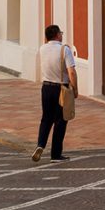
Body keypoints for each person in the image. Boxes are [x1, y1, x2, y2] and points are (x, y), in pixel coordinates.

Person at [32, 24, 78, 163]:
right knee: (60, 120)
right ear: (58, 35)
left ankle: (40, 145)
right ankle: (56, 154)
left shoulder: (42, 49)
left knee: (46, 118)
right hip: (61, 88)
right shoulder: (65, 50)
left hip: (46, 87)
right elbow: (71, 72)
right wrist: (75, 88)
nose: (62, 35)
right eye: (61, 33)